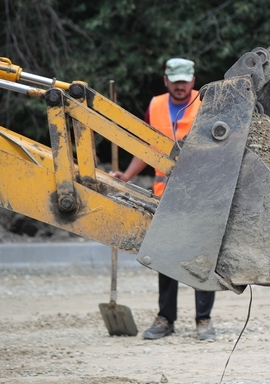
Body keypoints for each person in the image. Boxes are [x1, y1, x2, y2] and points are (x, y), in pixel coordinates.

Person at [110, 57, 216, 341]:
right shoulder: (156, 106)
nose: (180, 86)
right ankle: (165, 318)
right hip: (165, 198)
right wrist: (127, 176)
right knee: (165, 258)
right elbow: (147, 147)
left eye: (185, 81)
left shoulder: (207, 104)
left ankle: (203, 320)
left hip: (200, 196)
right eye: (175, 81)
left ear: (193, 81)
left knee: (201, 258)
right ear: (166, 80)